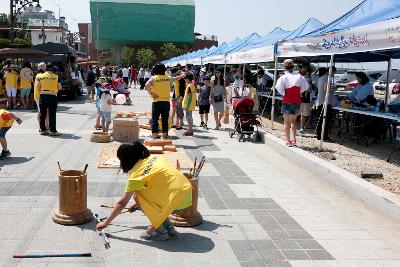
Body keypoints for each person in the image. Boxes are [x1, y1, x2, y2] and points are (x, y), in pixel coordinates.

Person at [96, 142, 192, 241]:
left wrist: (106, 222)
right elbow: (159, 188)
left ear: (125, 160)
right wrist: (138, 204)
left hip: (176, 201)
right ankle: (169, 227)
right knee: (139, 195)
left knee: (137, 196)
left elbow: (122, 203)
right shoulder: (154, 158)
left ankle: (161, 232)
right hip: (187, 193)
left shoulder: (135, 176)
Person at [275, 59, 309, 146]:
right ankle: (293, 139)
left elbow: (278, 88)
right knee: (294, 121)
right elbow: (305, 87)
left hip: (287, 100)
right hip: (297, 100)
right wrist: (298, 92)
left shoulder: (283, 77)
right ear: (293, 66)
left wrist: (284, 93)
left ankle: (287, 140)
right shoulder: (300, 76)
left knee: (286, 122)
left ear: (284, 67)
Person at [36, 63, 62, 136]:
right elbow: (59, 88)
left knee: (42, 114)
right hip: (52, 96)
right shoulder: (56, 77)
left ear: (46, 68)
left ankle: (43, 130)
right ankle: (52, 131)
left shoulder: (40, 76)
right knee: (52, 114)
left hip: (42, 95)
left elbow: (38, 87)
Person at [315, 66, 337, 142]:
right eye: (334, 72)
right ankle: (324, 136)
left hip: (320, 100)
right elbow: (326, 89)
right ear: (331, 71)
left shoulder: (320, 77)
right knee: (326, 120)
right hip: (326, 101)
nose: (334, 74)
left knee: (320, 119)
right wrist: (334, 89)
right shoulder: (327, 78)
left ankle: (319, 135)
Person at [298, 64, 312, 135]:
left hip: (298, 98)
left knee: (296, 114)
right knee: (304, 115)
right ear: (308, 72)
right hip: (305, 99)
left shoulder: (299, 78)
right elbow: (308, 89)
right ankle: (301, 128)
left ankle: (294, 127)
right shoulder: (308, 79)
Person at [34, 62, 48, 130]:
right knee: (41, 112)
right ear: (43, 68)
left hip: (39, 96)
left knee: (43, 111)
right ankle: (41, 126)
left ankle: (46, 126)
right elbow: (39, 87)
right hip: (39, 96)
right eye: (45, 67)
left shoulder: (38, 75)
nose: (46, 68)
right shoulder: (40, 75)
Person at [182, 72, 196, 136]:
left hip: (189, 105)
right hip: (191, 105)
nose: (184, 80)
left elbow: (190, 97)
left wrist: (187, 106)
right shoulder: (192, 85)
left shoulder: (189, 86)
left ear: (188, 79)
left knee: (188, 118)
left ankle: (190, 131)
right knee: (190, 118)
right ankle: (190, 130)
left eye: (185, 78)